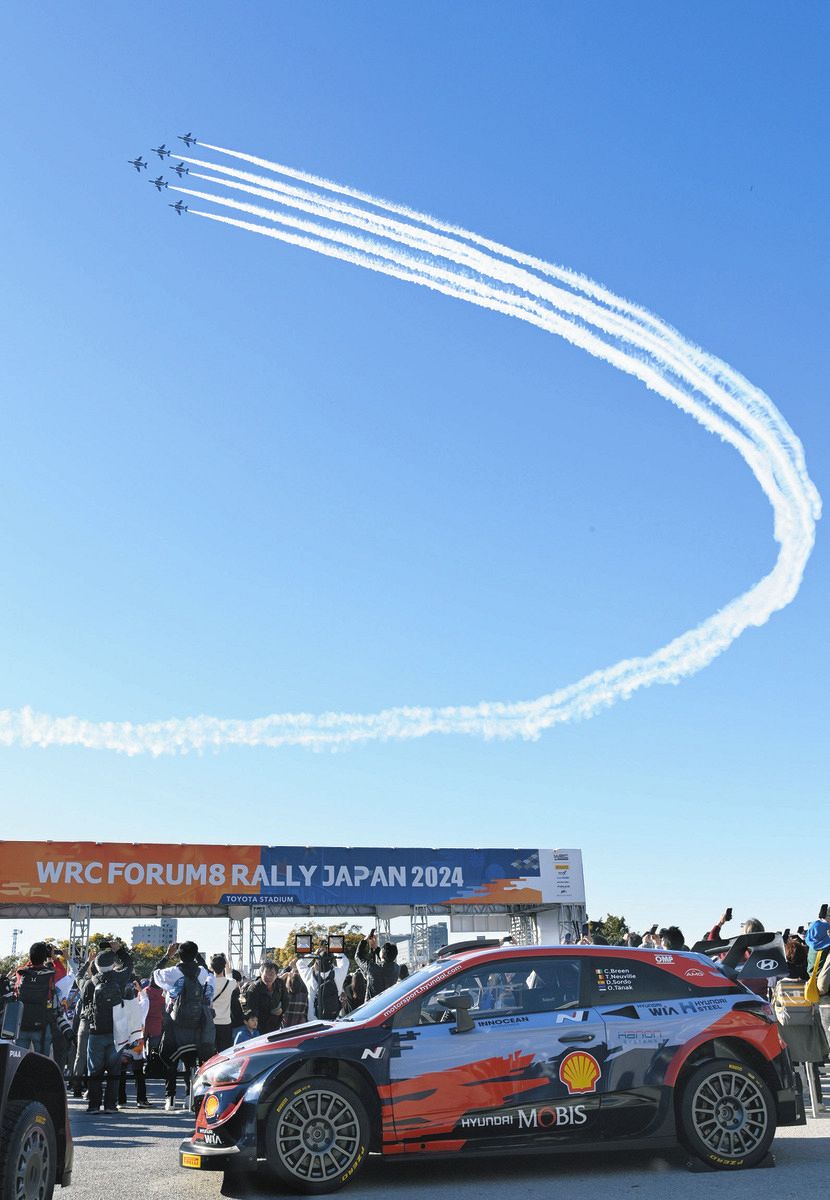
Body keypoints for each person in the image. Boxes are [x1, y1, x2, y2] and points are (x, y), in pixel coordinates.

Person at [154, 941, 214, 1112]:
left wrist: (167, 956)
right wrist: (201, 962)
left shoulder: (172, 972)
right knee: (191, 1062)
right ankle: (190, 1097)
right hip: (197, 1024)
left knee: (171, 1061)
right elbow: (211, 985)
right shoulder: (202, 973)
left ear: (179, 955)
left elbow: (155, 975)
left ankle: (170, 1099)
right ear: (196, 955)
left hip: (175, 1022)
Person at [82, 948, 129, 1114]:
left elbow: (84, 1002)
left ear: (96, 964)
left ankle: (94, 1104)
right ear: (112, 965)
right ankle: (110, 1105)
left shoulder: (91, 983)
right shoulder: (120, 979)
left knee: (94, 1070)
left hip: (96, 1032)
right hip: (116, 1031)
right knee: (114, 1070)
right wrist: (120, 951)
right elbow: (129, 965)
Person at [14, 942, 57, 1056]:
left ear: (30, 956)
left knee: (19, 1062)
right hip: (42, 1026)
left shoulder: (21, 973)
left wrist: (34, 957)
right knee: (42, 1064)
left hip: (22, 1024)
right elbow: (64, 974)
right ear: (44, 957)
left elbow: (28, 966)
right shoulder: (51, 975)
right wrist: (52, 957)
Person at [209, 954, 245, 1052]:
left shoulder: (207, 983)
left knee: (210, 1051)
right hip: (225, 1022)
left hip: (210, 1022)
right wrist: (226, 963)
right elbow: (229, 974)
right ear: (224, 966)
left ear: (211, 967)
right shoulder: (230, 983)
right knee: (224, 1051)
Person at [241, 962, 285, 1034]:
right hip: (260, 1026)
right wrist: (268, 1012)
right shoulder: (254, 988)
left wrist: (282, 1009)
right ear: (261, 974)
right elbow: (251, 1009)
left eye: (271, 974)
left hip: (276, 1023)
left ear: (276, 975)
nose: (268, 977)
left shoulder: (280, 984)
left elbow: (285, 999)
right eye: (266, 974)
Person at [281, 960, 310, 1028]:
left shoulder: (283, 995)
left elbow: (275, 984)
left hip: (284, 1028)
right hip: (300, 1028)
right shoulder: (305, 996)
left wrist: (284, 975)